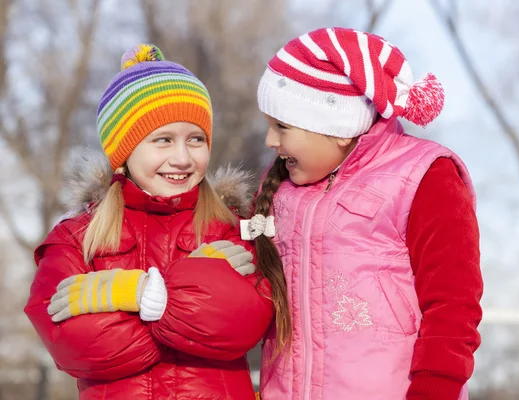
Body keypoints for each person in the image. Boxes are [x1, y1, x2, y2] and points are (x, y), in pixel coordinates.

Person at [24, 44, 275, 400]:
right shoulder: (75, 239)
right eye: (163, 140)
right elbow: (80, 347)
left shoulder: (234, 229)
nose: (183, 158)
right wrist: (193, 291)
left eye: (196, 140)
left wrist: (135, 293)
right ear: (124, 152)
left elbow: (241, 323)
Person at [248, 28, 483, 399]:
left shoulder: (424, 175)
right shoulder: (278, 190)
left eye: (282, 127)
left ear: (337, 129)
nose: (270, 141)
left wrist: (436, 389)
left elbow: (453, 302)